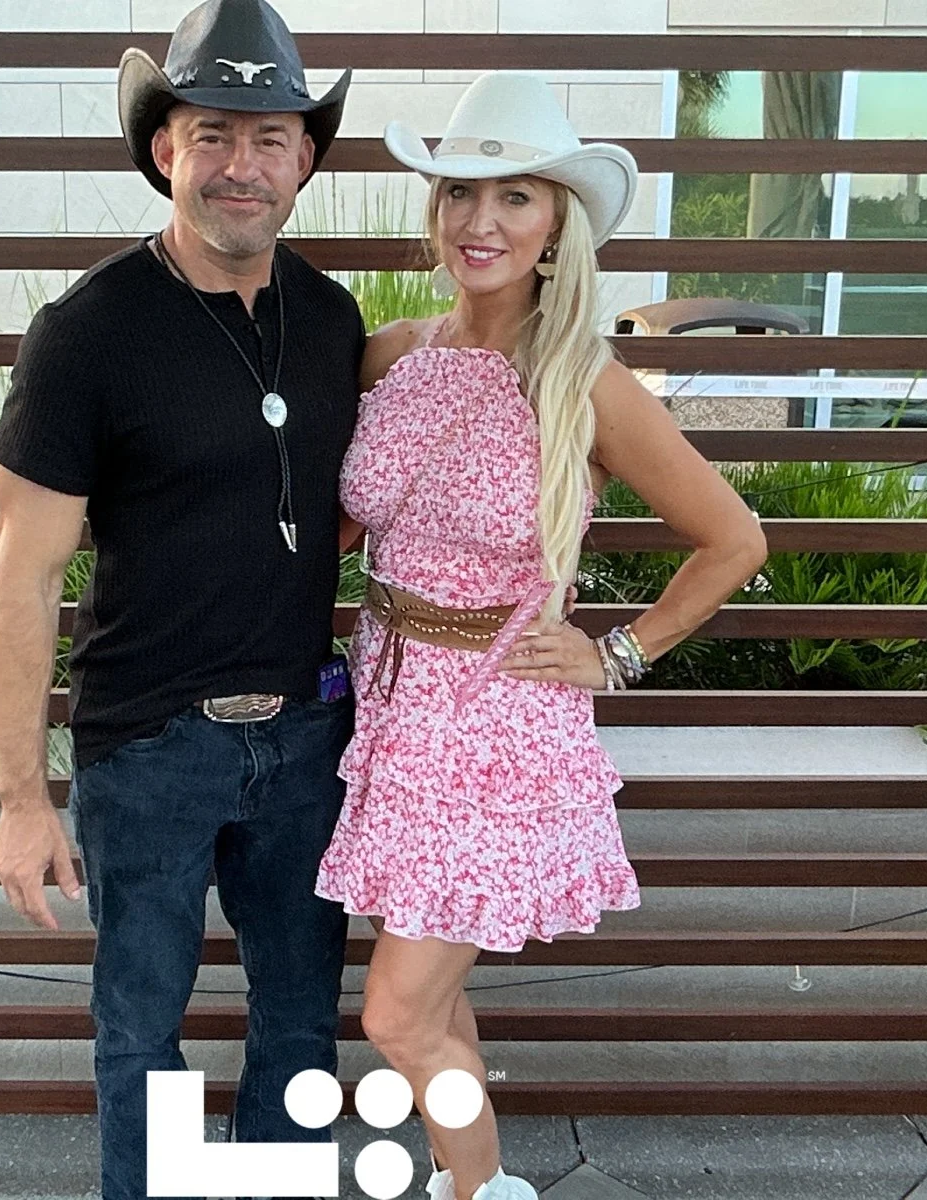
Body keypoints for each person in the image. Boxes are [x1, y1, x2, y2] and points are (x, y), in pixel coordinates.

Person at [314, 72, 770, 1200]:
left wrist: (619, 654)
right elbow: (309, 518)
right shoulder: (391, 355)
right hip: (389, 703)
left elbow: (733, 540)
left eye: (517, 196)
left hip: (494, 722)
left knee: (397, 1012)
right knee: (436, 997)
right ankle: (474, 1180)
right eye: (465, 191)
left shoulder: (587, 383)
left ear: (558, 219)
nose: (484, 221)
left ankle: (481, 1191)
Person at [0, 2, 362, 1196]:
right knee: (140, 1040)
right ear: (165, 152)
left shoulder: (335, 321)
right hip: (147, 749)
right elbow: (26, 575)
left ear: (305, 158)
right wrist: (20, 799)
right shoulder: (84, 335)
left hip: (307, 741)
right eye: (212, 134)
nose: (239, 166)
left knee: (299, 1029)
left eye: (267, 138)